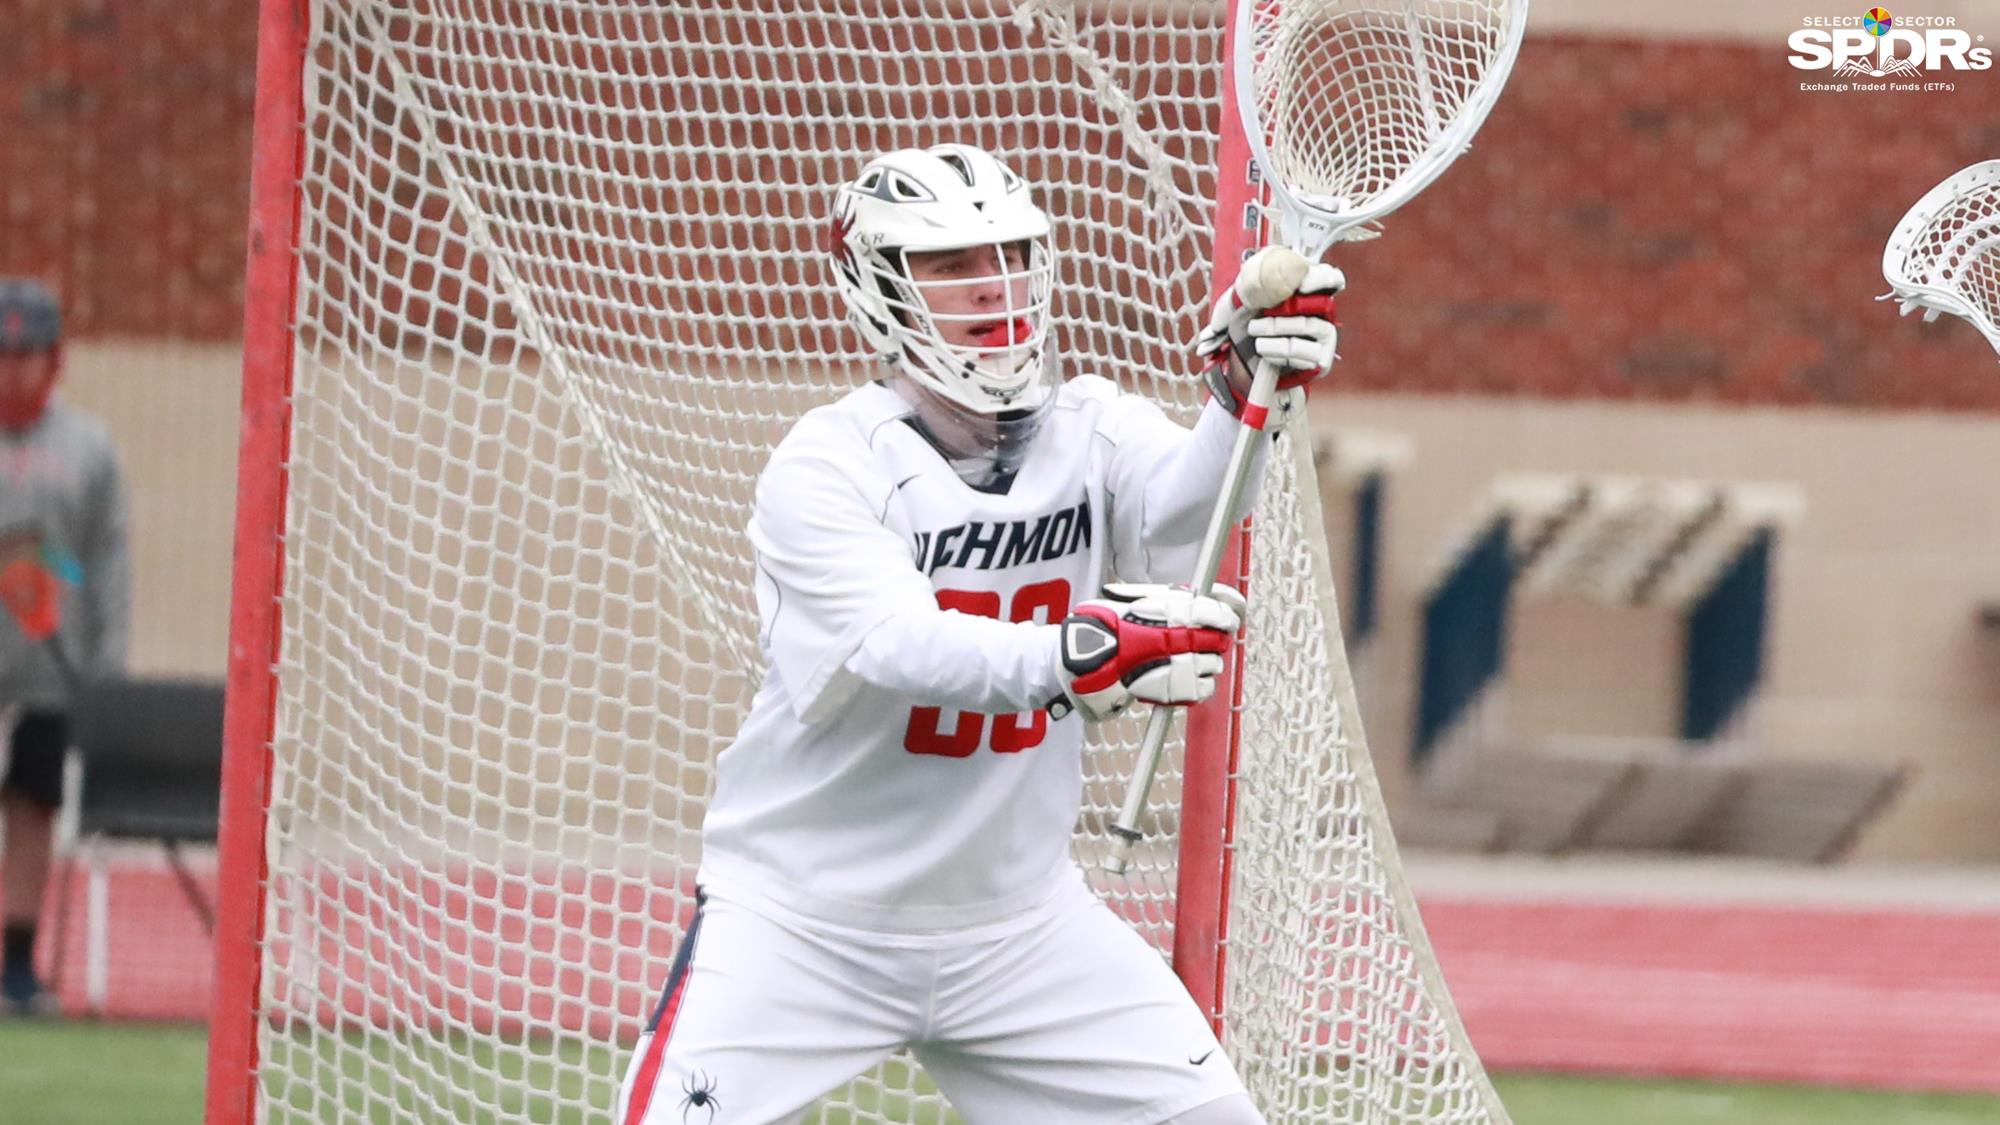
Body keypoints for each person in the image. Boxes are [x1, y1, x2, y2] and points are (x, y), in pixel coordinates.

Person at [616, 145, 1341, 1125]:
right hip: (805, 922)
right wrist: (1079, 653)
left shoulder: (1088, 424)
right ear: (880, 290)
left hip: (1018, 929)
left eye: (1007, 254)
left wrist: (1242, 395)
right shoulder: (827, 463)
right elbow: (896, 644)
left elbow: (1185, 508)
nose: (990, 285)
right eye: (951, 265)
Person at [0, 277, 132, 1017]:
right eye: (2, 354)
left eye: (27, 355)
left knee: (31, 810)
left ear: (56, 361)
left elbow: (109, 561)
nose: (12, 370)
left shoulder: (89, 450)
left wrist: (107, 671)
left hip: (52, 673)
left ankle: (17, 965)